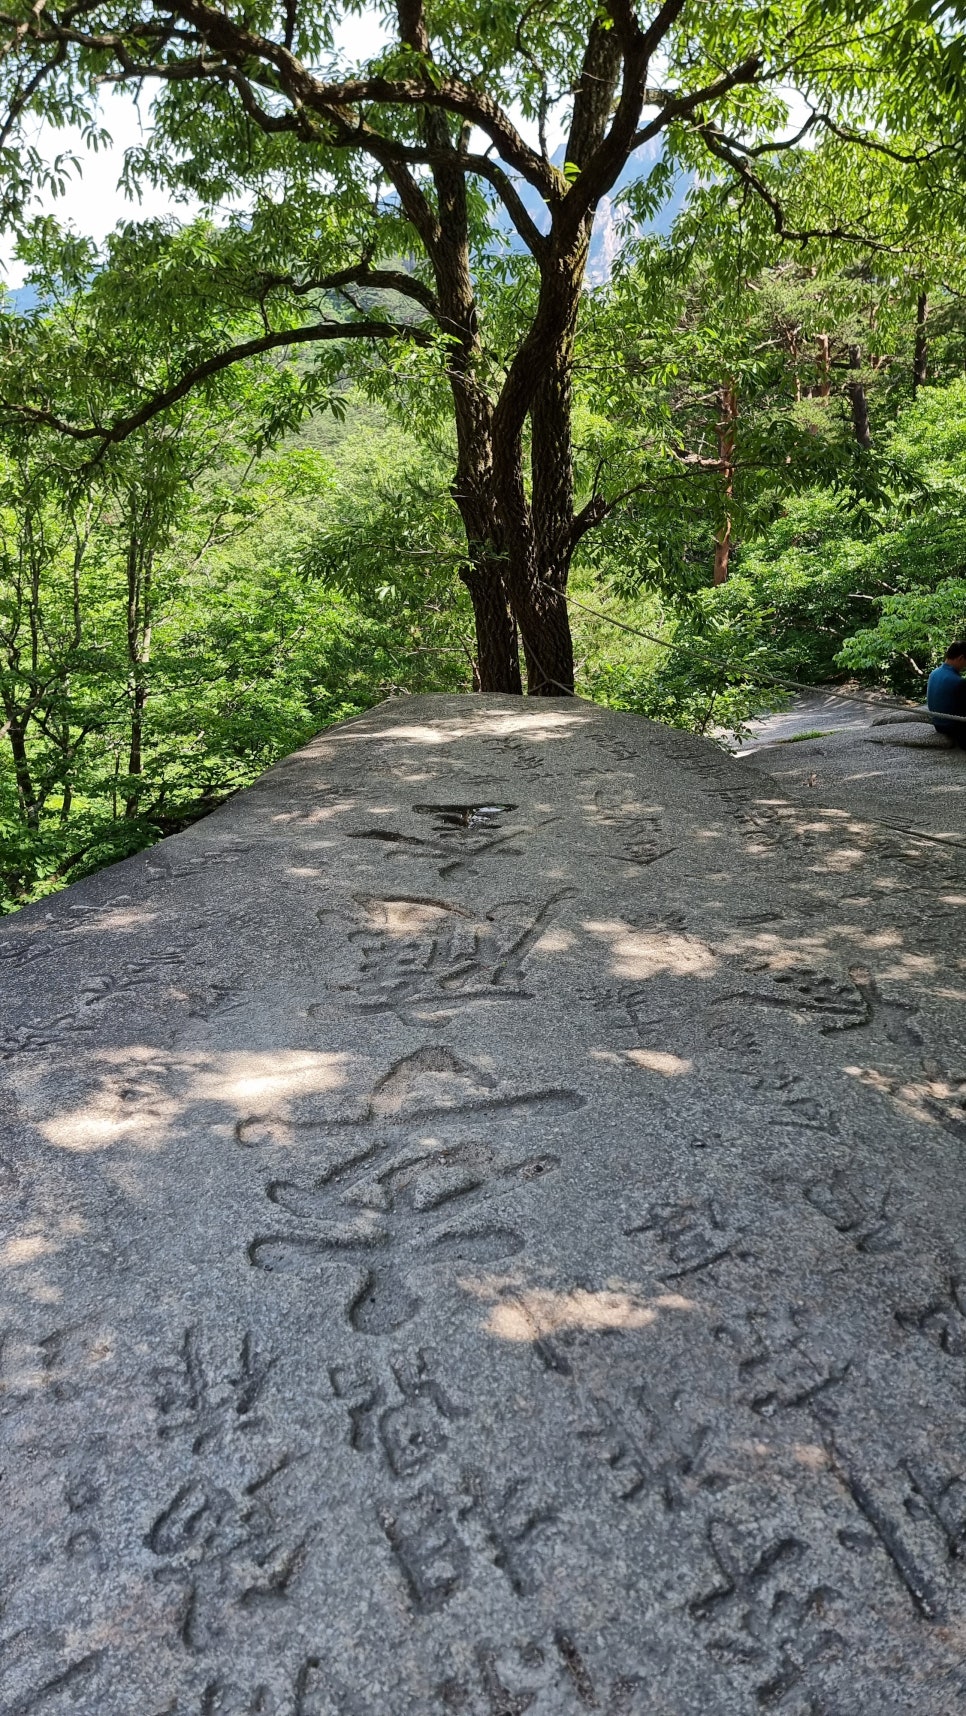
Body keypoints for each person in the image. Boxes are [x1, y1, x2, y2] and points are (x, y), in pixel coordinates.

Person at [927, 641, 966, 747]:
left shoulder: (933, 673)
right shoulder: (958, 681)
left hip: (937, 724)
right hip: (951, 727)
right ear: (961, 658)